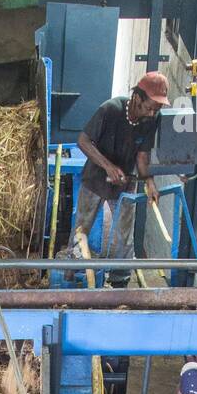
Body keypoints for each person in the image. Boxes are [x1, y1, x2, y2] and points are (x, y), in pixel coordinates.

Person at [70, 73, 169, 288]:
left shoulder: (152, 119)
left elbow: (142, 156)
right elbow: (83, 141)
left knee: (124, 234)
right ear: (136, 98)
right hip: (96, 178)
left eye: (156, 110)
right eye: (149, 108)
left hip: (125, 181)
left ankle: (120, 280)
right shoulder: (111, 109)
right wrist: (107, 166)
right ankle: (72, 274)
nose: (152, 114)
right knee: (81, 228)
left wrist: (149, 181)